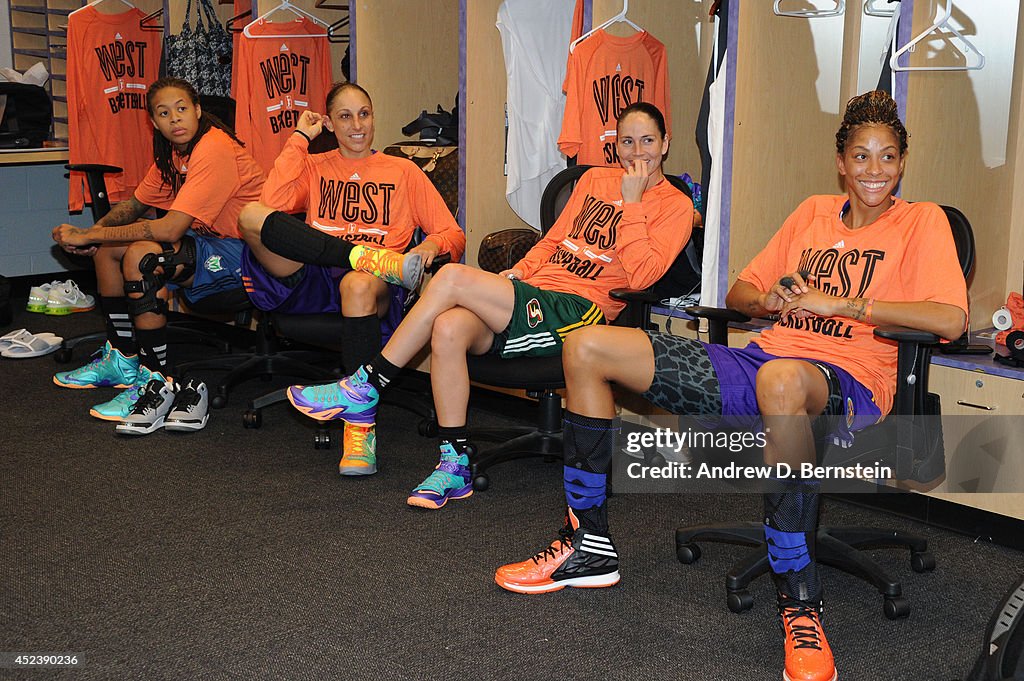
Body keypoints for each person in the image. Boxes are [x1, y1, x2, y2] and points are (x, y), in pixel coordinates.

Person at [494, 91, 968, 681]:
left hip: (847, 380)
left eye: (888, 157)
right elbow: (742, 294)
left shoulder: (922, 222)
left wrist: (844, 303)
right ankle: (587, 546)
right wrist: (773, 298)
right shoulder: (811, 214)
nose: (875, 171)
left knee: (783, 381)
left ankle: (799, 602)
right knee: (587, 346)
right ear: (841, 162)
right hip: (763, 359)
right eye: (862, 157)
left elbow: (951, 319)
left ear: (902, 163)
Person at [283, 101, 694, 509]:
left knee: (450, 276)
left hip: (581, 310)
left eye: (647, 141)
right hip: (534, 294)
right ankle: (454, 462)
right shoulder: (592, 181)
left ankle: (366, 385)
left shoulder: (674, 206)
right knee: (448, 328)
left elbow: (642, 277)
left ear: (665, 143)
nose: (637, 152)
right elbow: (552, 241)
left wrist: (634, 203)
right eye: (627, 141)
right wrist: (515, 277)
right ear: (615, 145)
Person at [236, 82, 466, 476]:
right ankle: (360, 256)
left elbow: (452, 233)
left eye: (364, 114)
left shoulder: (402, 170)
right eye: (344, 116)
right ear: (329, 122)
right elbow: (271, 206)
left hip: (372, 285)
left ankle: (360, 429)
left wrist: (428, 248)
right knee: (248, 217)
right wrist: (298, 139)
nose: (357, 124)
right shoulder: (315, 165)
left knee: (356, 282)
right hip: (316, 273)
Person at [51, 77, 266, 424]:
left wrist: (88, 232)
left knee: (142, 256)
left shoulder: (214, 148)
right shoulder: (174, 154)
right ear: (153, 120)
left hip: (248, 254)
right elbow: (136, 204)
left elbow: (170, 229)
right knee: (111, 249)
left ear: (197, 110)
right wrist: (96, 237)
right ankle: (122, 358)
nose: (175, 119)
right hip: (210, 244)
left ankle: (155, 381)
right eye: (164, 113)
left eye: (182, 109)